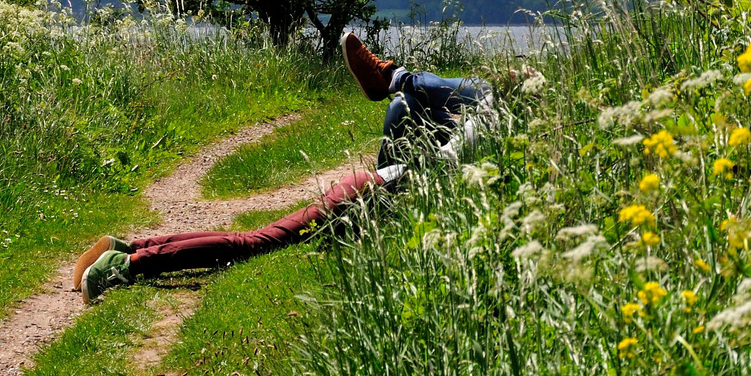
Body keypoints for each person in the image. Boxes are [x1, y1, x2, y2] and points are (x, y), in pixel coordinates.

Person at [75, 31, 490, 300]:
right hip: (364, 195)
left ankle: (130, 249)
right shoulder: (478, 144)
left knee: (250, 239)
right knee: (251, 244)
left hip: (369, 188)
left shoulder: (471, 136)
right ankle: (127, 265)